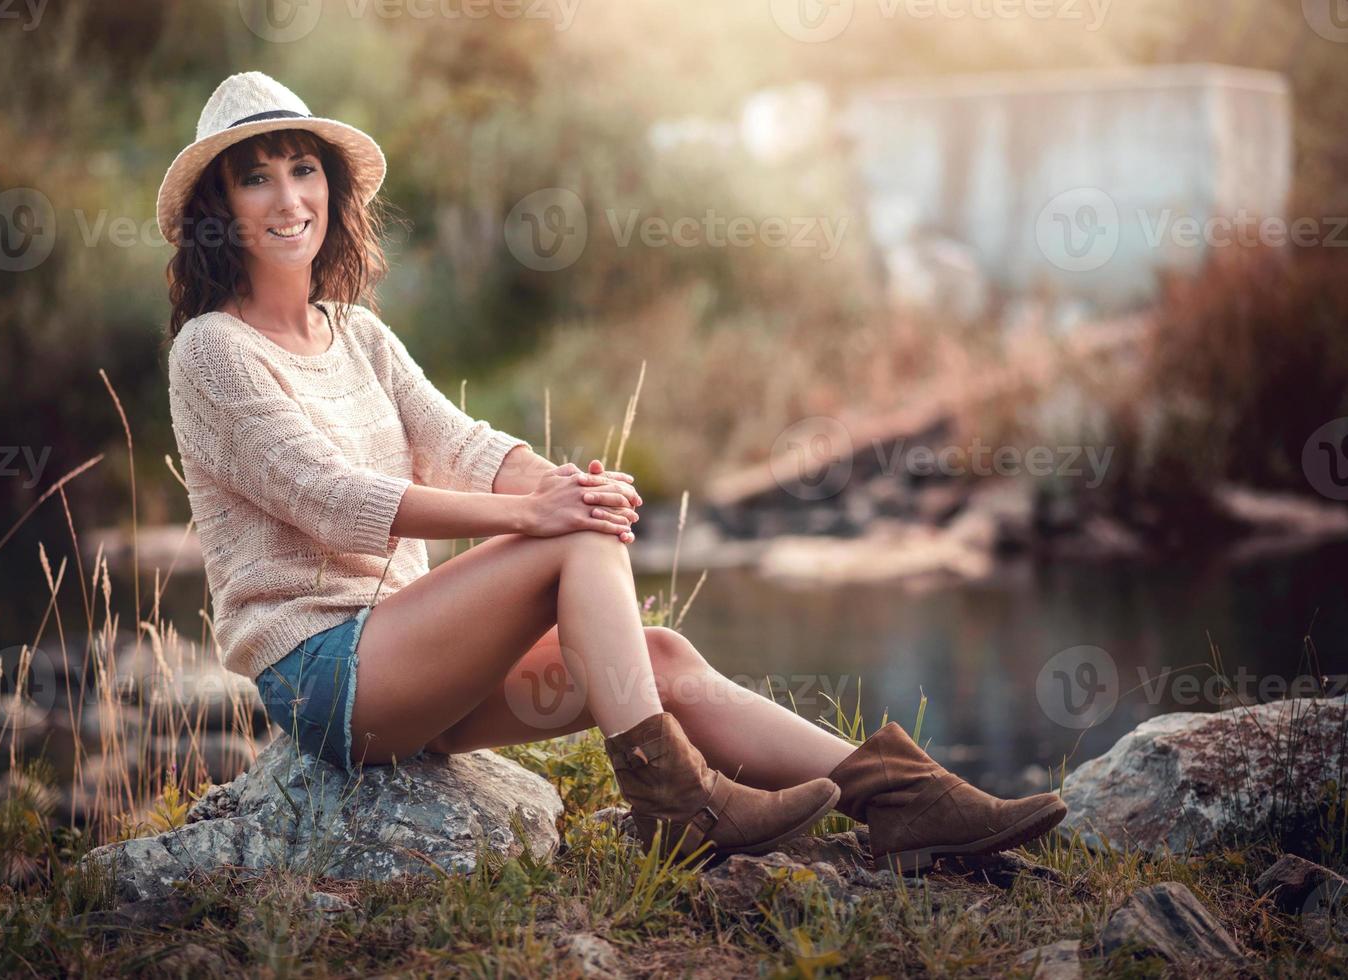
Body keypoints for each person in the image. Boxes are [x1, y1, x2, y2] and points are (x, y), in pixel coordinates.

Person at [158, 71, 1066, 872]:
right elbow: (334, 501)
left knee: (659, 656)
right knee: (570, 543)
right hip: (329, 677)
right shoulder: (214, 351)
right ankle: (680, 807)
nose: (288, 198)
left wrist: (565, 486)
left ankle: (905, 799)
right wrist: (538, 521)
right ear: (219, 210)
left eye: (303, 168)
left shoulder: (355, 333)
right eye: (256, 175)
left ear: (331, 186)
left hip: (417, 665)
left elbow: (465, 443)